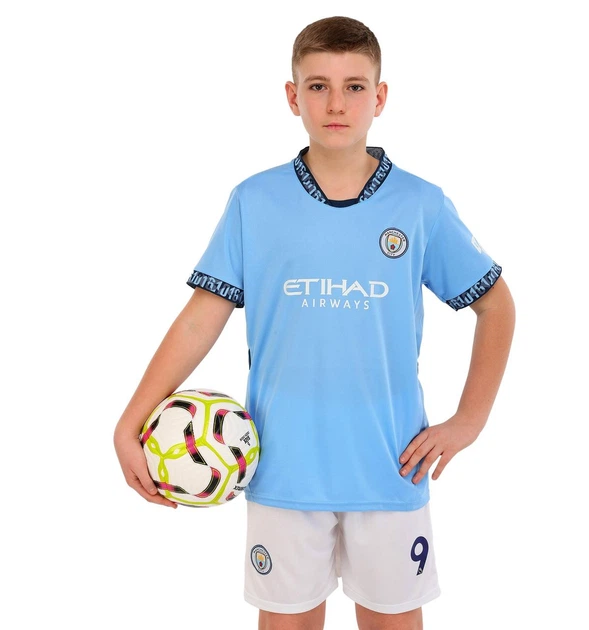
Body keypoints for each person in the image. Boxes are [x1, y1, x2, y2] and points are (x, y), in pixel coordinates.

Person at [114, 15, 516, 630]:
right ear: (292, 95)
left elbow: (496, 305)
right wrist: (131, 420)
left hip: (390, 467)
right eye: (318, 86)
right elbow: (200, 319)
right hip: (283, 467)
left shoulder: (420, 204)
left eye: (355, 86)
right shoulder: (255, 201)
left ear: (380, 97)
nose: (336, 103)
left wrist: (470, 419)